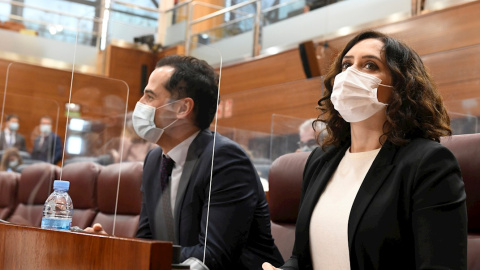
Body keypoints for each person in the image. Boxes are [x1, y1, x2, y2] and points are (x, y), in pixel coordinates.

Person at [263, 30, 467, 270]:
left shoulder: (428, 162)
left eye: (370, 65)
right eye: (346, 65)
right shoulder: (321, 160)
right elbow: (301, 257)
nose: (350, 74)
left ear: (401, 85)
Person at [86, 55, 284, 269]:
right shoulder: (154, 159)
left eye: (149, 96)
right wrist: (116, 247)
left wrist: (137, 252)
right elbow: (147, 240)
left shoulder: (223, 159)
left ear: (182, 108)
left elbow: (212, 255)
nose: (140, 104)